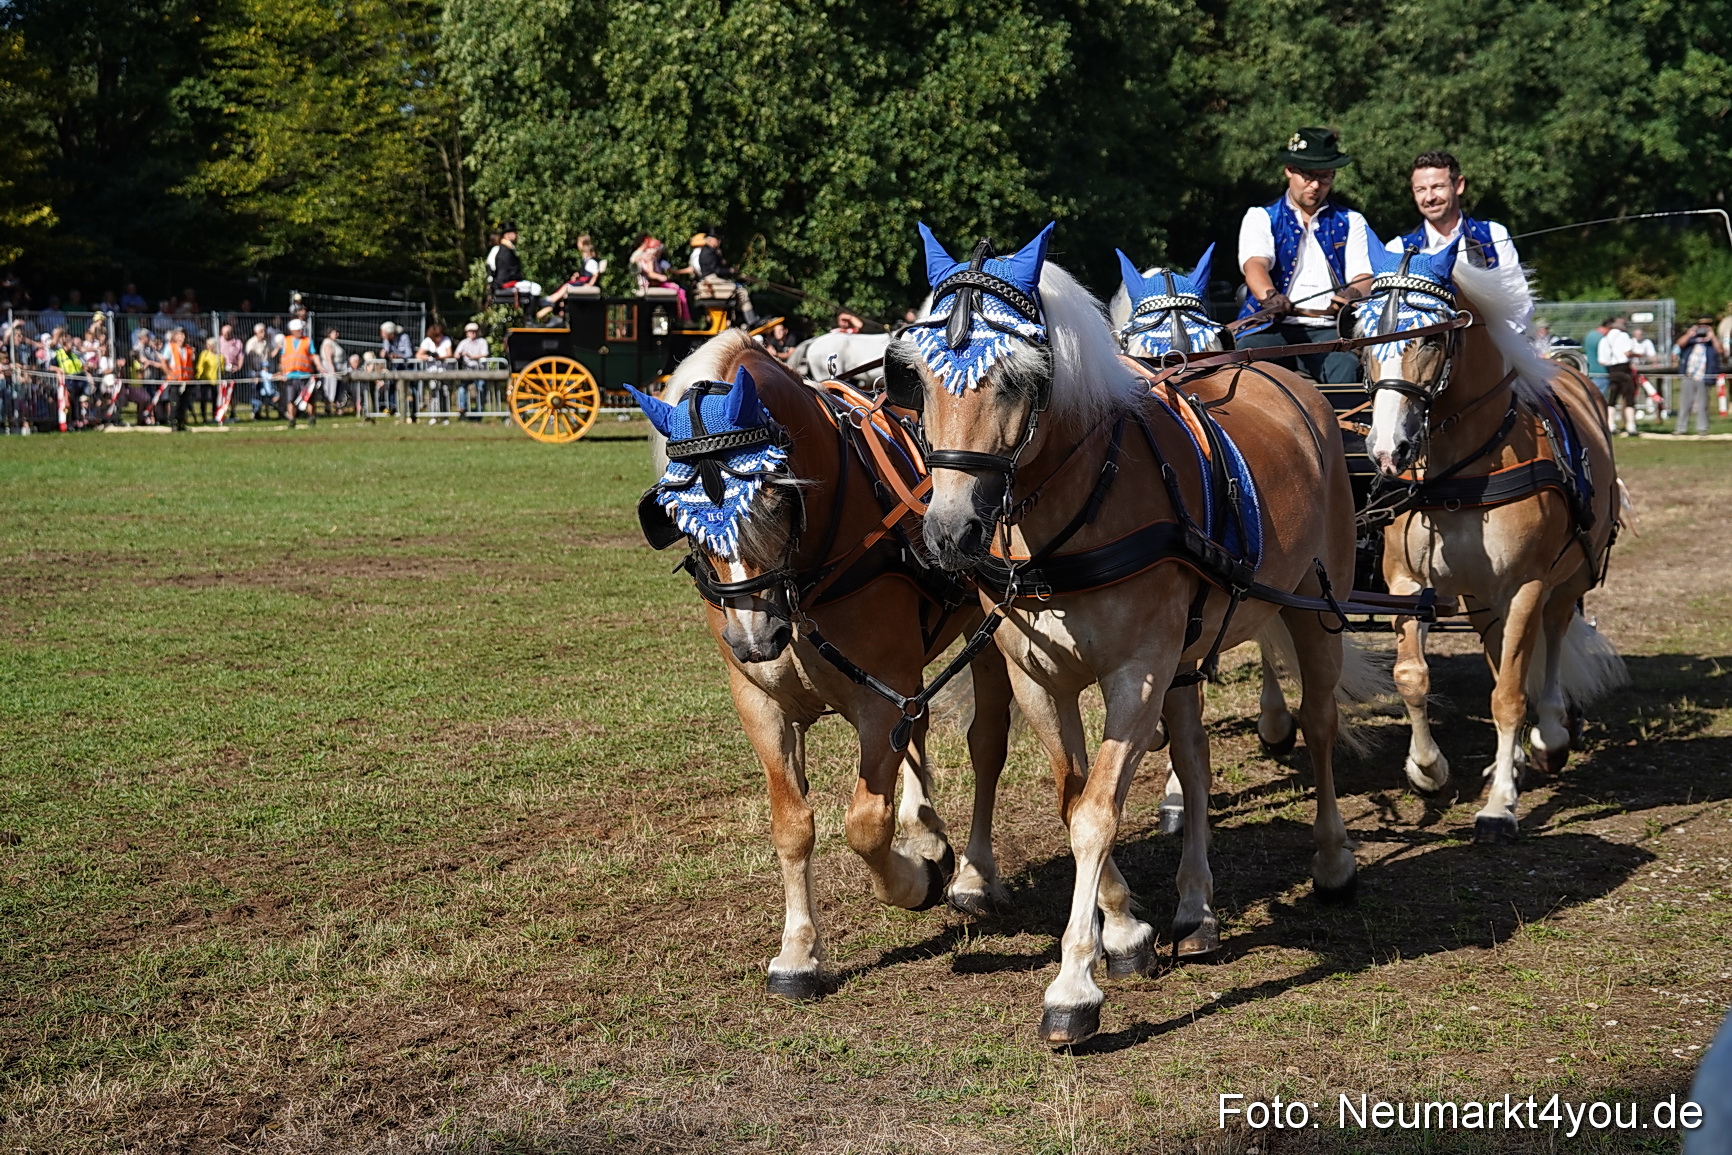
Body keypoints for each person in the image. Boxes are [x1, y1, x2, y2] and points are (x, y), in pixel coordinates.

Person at [1235, 127, 1373, 383]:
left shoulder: (1352, 221)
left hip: (1330, 331)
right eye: (1308, 176)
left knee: (1347, 370)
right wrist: (1270, 296)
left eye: (1325, 177)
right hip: (1270, 327)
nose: (1315, 185)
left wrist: (1351, 294)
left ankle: (1349, 424)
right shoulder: (1261, 216)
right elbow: (1255, 265)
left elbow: (1364, 276)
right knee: (1249, 363)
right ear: (1289, 169)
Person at [1389, 150, 1529, 332]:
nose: (1429, 197)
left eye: (1438, 186)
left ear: (1459, 185)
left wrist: (1495, 345)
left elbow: (1520, 301)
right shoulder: (1398, 248)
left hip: (1495, 348)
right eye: (1421, 190)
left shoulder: (1493, 235)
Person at [689, 232, 760, 325]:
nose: (719, 241)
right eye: (717, 239)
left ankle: (745, 320)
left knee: (740, 291)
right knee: (741, 291)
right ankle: (751, 321)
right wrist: (730, 271)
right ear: (710, 240)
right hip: (711, 279)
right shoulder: (708, 253)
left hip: (713, 278)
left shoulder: (711, 251)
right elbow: (717, 270)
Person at [1674, 315, 1722, 435]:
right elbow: (1679, 344)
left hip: (1704, 376)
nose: (1703, 329)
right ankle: (1681, 428)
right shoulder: (1692, 340)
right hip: (1689, 375)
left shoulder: (1711, 342)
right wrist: (1690, 333)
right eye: (1701, 326)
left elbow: (1721, 351)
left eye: (1706, 326)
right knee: (1685, 404)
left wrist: (1712, 336)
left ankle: (1702, 429)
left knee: (1702, 404)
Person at [628, 235, 689, 318]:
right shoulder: (649, 258)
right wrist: (661, 277)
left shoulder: (651, 258)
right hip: (649, 284)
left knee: (677, 288)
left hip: (651, 283)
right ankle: (683, 317)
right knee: (679, 289)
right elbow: (650, 273)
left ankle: (680, 317)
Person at [487, 222, 543, 303]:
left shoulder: (503, 248)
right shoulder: (501, 249)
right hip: (506, 282)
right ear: (508, 235)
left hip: (503, 282)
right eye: (514, 232)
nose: (516, 235)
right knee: (536, 288)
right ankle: (529, 315)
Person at [1600, 316, 1638, 435]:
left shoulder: (1604, 339)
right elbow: (1627, 352)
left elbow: (1602, 360)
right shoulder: (1624, 336)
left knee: (1612, 397)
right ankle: (1631, 426)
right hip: (1624, 368)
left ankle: (1611, 425)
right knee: (1629, 397)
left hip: (1612, 369)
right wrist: (1638, 355)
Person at [279, 318, 317, 427]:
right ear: (293, 330)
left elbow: (313, 355)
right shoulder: (286, 341)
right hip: (290, 376)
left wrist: (320, 367)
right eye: (299, 329)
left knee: (309, 398)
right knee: (291, 400)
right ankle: (292, 419)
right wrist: (283, 373)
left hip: (305, 375)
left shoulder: (308, 341)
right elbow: (283, 358)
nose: (301, 331)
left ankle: (311, 418)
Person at [162, 326, 197, 431]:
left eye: (184, 334)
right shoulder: (170, 347)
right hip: (175, 381)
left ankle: (181, 423)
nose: (183, 337)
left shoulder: (189, 349)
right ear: (175, 336)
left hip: (186, 381)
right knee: (175, 403)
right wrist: (170, 374)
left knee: (184, 403)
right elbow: (164, 362)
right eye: (180, 334)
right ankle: (174, 423)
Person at [454, 321, 490, 419]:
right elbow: (456, 354)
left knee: (481, 387)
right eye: (470, 331)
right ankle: (462, 409)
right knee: (461, 389)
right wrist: (458, 355)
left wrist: (472, 356)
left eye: (474, 331)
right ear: (467, 333)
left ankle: (479, 410)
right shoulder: (463, 342)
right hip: (467, 370)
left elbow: (485, 354)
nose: (472, 333)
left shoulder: (482, 341)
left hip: (480, 371)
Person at [244, 321, 276, 419]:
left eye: (264, 331)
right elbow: (249, 359)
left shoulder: (266, 342)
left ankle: (265, 412)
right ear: (256, 332)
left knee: (265, 392)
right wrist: (254, 375)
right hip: (254, 370)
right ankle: (255, 412)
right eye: (261, 331)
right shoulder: (251, 343)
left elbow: (268, 356)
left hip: (264, 370)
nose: (263, 333)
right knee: (255, 392)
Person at [217, 323, 244, 423]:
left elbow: (241, 357)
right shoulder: (218, 341)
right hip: (221, 372)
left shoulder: (237, 342)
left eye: (228, 333)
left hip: (233, 370)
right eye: (224, 333)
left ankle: (233, 411)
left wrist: (238, 367)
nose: (226, 335)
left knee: (233, 394)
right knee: (221, 393)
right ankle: (220, 412)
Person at [195, 336, 222, 424]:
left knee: (215, 399)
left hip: (215, 381)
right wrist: (198, 375)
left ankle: (215, 416)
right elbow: (200, 365)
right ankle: (203, 416)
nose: (208, 346)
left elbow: (221, 368)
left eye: (210, 345)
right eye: (208, 345)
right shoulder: (204, 354)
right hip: (205, 380)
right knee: (204, 399)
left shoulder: (219, 356)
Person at [319, 327, 345, 413]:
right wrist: (332, 369)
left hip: (337, 367)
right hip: (331, 367)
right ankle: (329, 407)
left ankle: (335, 407)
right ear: (329, 333)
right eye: (335, 332)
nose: (337, 334)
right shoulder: (328, 343)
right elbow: (328, 357)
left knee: (337, 388)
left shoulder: (334, 342)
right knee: (331, 387)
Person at [1583, 317, 1612, 396]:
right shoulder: (1603, 339)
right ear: (1609, 327)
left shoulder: (1589, 335)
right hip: (1602, 372)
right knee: (1599, 399)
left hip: (1590, 371)